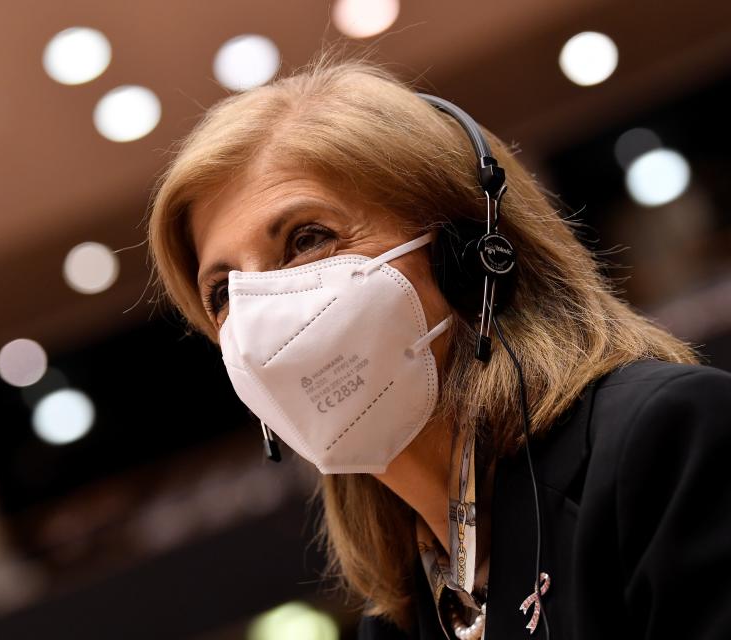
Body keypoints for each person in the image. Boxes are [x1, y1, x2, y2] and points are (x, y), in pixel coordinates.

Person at [145, 59, 731, 639]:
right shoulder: (402, 619)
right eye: (223, 293)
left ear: (470, 251)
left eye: (307, 239)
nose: (261, 315)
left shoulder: (667, 439)